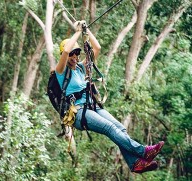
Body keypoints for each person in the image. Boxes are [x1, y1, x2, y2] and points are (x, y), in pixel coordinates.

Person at [55, 20, 164, 173]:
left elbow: (97, 48)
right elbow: (66, 51)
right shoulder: (60, 71)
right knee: (109, 128)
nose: (74, 56)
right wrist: (78, 31)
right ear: (64, 56)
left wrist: (86, 30)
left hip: (92, 106)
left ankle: (135, 164)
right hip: (78, 113)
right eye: (72, 54)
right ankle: (143, 152)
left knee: (120, 128)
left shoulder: (80, 68)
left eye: (77, 53)